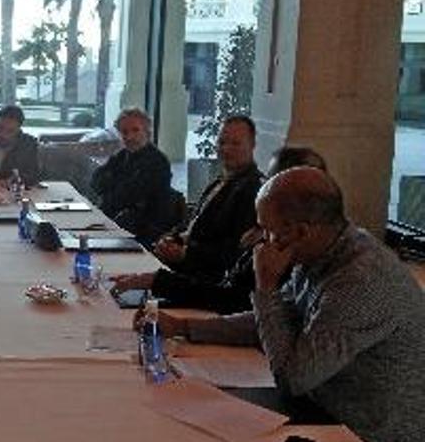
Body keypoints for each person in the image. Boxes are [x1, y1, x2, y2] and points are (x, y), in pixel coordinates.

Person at [150, 168, 425, 442]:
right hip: (322, 410)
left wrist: (266, 285)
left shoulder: (361, 280)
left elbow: (293, 379)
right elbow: (279, 318)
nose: (261, 241)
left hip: (365, 431)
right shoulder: (321, 251)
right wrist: (184, 327)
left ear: (302, 231)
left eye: (268, 231)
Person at [110, 116, 264, 311]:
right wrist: (170, 238)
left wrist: (184, 254)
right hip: (182, 272)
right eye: (222, 142)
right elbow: (193, 226)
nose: (226, 149)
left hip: (205, 288)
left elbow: (233, 255)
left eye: (235, 143)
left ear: (252, 145)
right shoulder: (221, 181)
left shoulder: (252, 191)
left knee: (123, 306)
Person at [90, 108, 173, 246]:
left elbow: (124, 197)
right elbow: (95, 181)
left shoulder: (157, 161)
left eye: (135, 130)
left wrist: (110, 183)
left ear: (147, 132)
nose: (129, 137)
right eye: (124, 132)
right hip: (116, 223)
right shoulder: (122, 155)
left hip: (142, 230)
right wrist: (113, 185)